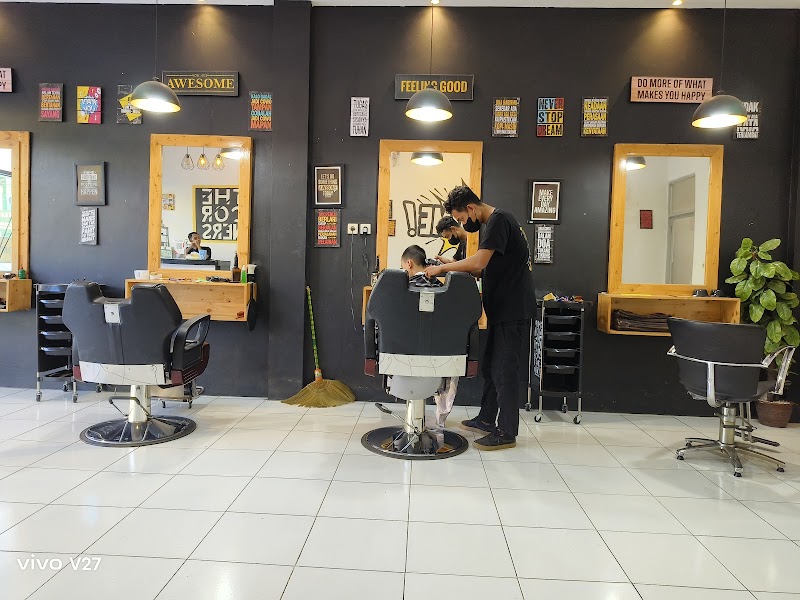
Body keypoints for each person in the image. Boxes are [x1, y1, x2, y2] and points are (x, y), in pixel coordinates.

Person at [424, 185, 535, 451]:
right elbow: (484, 269)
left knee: (504, 371)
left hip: (512, 310)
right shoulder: (495, 224)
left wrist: (441, 269)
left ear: (471, 208)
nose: (463, 224)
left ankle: (506, 432)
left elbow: (477, 263)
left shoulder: (499, 220)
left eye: (462, 218)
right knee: (491, 367)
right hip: (502, 309)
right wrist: (452, 267)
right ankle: (486, 419)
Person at [400, 244, 459, 433]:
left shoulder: (401, 290)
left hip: (406, 352)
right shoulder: (444, 290)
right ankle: (440, 419)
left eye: (403, 266)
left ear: (409, 263)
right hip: (441, 354)